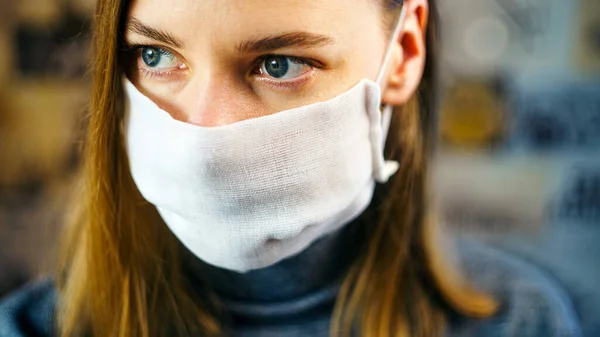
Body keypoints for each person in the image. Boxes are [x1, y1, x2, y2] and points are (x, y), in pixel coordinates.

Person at [0, 0, 583, 336]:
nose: (204, 130)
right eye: (155, 57)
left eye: (278, 64)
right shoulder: (31, 329)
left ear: (402, 54)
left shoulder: (519, 323)